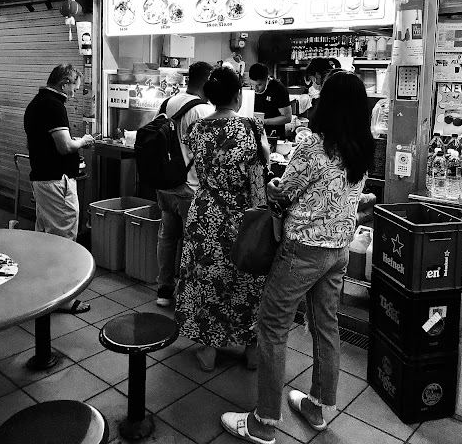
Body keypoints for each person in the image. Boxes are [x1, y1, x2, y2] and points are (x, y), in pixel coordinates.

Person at [221, 70, 375, 441]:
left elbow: (281, 194)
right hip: (338, 251)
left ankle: (263, 422)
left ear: (328, 104)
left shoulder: (312, 146)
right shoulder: (363, 149)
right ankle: (318, 407)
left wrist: (274, 185)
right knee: (326, 325)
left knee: (272, 326)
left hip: (302, 251)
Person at [175, 65, 270, 372]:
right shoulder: (252, 127)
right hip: (244, 214)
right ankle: (253, 348)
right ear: (238, 95)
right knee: (248, 279)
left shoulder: (198, 129)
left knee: (207, 279)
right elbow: (260, 175)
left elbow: (197, 168)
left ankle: (209, 348)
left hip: (206, 211)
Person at [24, 64, 95, 314]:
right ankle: (63, 298)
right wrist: (84, 141)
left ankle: (43, 290)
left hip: (41, 180)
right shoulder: (54, 106)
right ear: (64, 83)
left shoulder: (35, 103)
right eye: (74, 87)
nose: (75, 93)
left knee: (45, 237)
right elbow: (64, 146)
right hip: (56, 182)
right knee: (63, 238)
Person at [155, 61, 214, 307]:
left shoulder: (169, 102)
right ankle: (188, 295)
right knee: (193, 241)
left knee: (167, 236)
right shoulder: (204, 111)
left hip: (165, 182)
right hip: (189, 187)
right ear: (208, 80)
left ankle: (163, 291)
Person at [249, 63, 291, 139]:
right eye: (252, 84)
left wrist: (263, 121)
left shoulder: (278, 89)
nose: (255, 88)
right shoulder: (248, 90)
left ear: (266, 79)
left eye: (259, 85)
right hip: (254, 134)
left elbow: (287, 117)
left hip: (274, 134)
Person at [303, 57, 333, 126]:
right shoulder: (332, 81)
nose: (313, 83)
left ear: (317, 74)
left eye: (312, 80)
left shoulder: (331, 87)